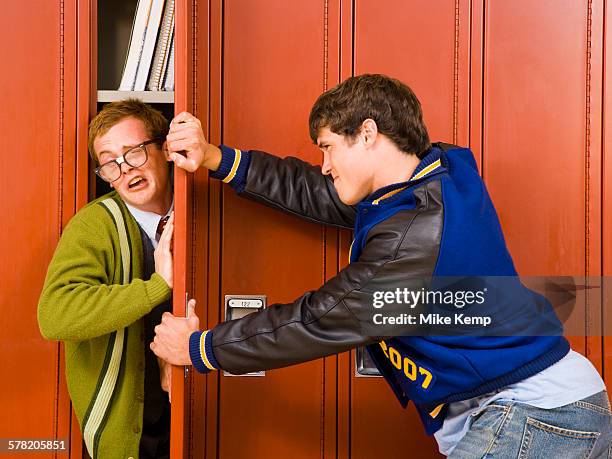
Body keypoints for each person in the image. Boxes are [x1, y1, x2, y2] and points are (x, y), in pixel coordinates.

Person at [151, 74, 611, 458]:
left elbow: (323, 319)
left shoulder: (414, 238)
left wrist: (199, 348)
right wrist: (216, 159)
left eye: (329, 147)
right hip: (547, 408)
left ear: (368, 133)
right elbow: (327, 193)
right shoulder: (434, 173)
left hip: (535, 414)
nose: (325, 164)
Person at [37, 99, 204, 459]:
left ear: (165, 150)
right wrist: (157, 285)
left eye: (134, 152)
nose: (124, 169)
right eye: (109, 163)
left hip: (203, 411)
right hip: (131, 433)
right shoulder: (95, 224)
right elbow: (54, 315)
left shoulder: (201, 211)